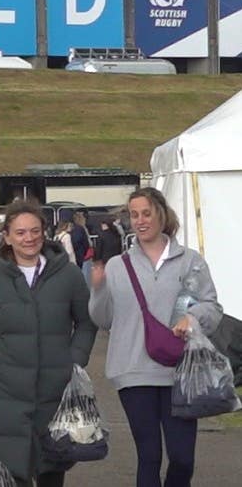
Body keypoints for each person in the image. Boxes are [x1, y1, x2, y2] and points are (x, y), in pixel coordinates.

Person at [89, 187, 222, 487]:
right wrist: (97, 290)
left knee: (182, 459)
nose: (140, 221)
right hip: (133, 371)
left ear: (161, 214)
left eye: (146, 213)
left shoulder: (190, 261)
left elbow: (212, 307)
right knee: (149, 456)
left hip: (181, 373)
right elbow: (102, 319)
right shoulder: (117, 265)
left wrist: (193, 318)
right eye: (134, 215)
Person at [0, 201, 97, 487]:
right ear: (8, 236)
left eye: (35, 231)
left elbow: (87, 322)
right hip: (7, 398)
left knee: (51, 472)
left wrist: (74, 359)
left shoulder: (69, 275)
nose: (29, 238)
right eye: (21, 232)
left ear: (44, 232)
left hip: (54, 394)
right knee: (13, 475)